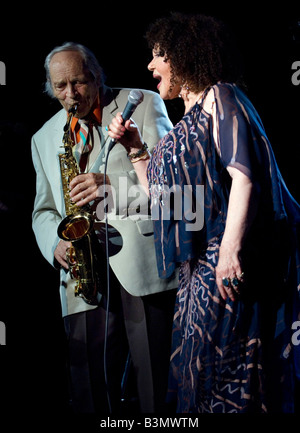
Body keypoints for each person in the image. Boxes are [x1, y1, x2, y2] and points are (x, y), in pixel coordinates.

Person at [108, 12, 300, 413]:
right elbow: (166, 200)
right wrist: (136, 149)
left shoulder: (221, 97)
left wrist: (230, 250)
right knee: (199, 377)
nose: (150, 65)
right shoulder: (180, 129)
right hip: (195, 275)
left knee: (233, 374)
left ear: (184, 55)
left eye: (159, 55)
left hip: (225, 262)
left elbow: (245, 175)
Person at [31, 42, 178, 414]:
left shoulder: (143, 102)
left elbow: (172, 187)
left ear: (96, 76)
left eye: (77, 83)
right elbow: (43, 211)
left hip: (141, 265)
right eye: (59, 87)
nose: (70, 95)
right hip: (84, 276)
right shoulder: (44, 137)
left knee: (153, 386)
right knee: (89, 390)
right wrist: (54, 245)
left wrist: (110, 187)